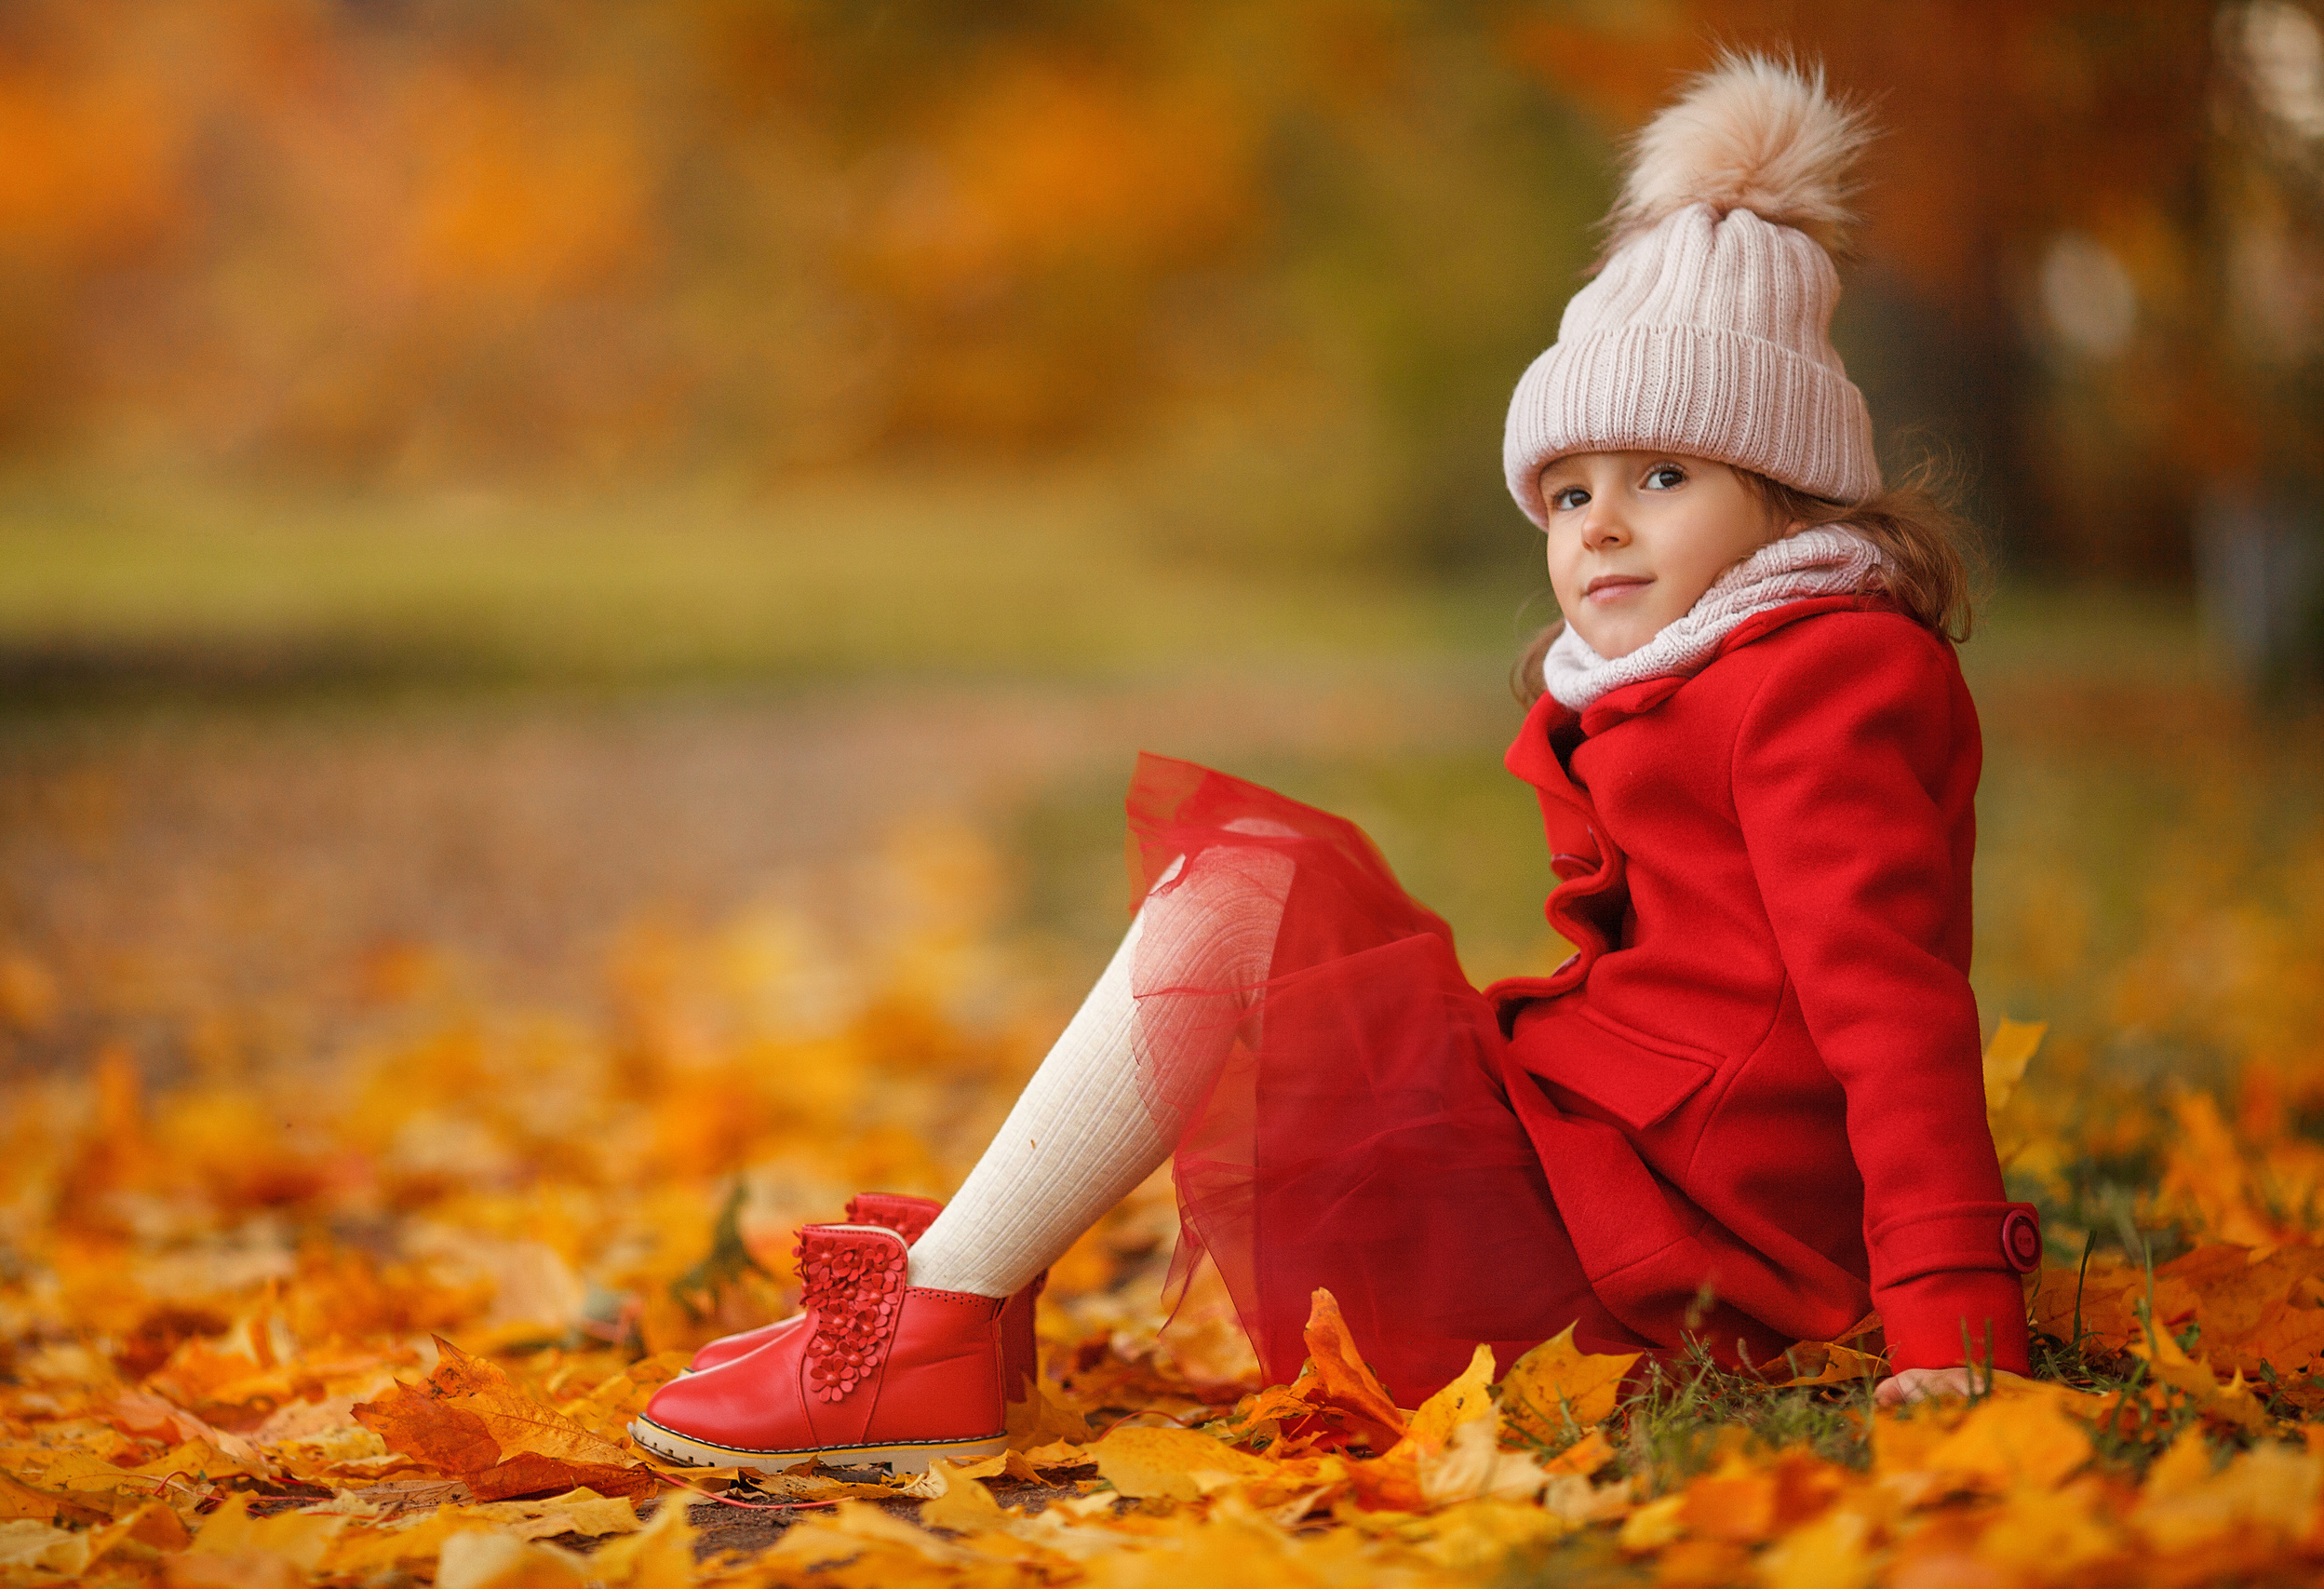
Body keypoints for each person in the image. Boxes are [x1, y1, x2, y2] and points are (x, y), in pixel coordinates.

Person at [631, 53, 2042, 1475]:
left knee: (1256, 889)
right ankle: (957, 1301)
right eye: (1569, 492)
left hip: (1674, 1269)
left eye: (1663, 478)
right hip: (1604, 1179)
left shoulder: (1827, 675)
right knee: (1248, 885)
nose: (1600, 528)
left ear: (1783, 488)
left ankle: (931, 1325)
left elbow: (1891, 1005)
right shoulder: (1685, 673)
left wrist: (1952, 1314)